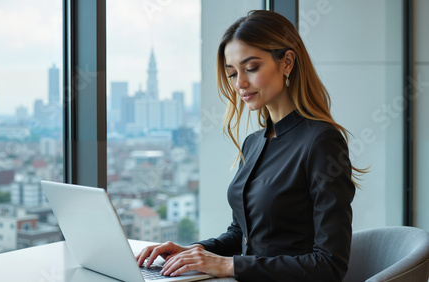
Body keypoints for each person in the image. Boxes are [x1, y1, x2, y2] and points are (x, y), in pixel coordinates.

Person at [136, 10, 363, 281]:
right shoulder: (254, 142)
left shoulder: (322, 142)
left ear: (287, 62)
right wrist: (194, 251)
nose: (240, 84)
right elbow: (240, 235)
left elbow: (329, 266)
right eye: (232, 73)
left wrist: (229, 266)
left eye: (251, 68)